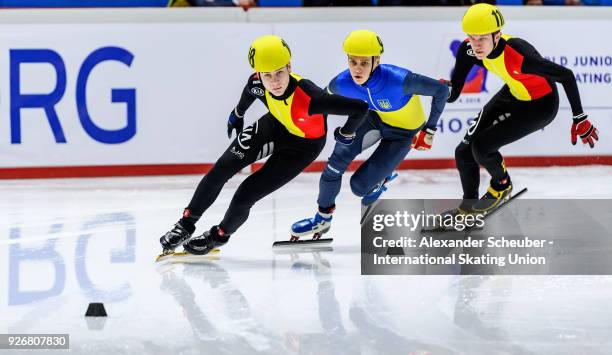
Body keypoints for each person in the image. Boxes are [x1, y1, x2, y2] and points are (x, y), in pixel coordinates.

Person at [159, 35, 369, 255]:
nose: (275, 82)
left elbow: (360, 109)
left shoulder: (313, 98)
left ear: (289, 66)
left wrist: (347, 133)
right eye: (267, 75)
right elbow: (250, 90)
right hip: (275, 125)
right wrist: (238, 114)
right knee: (222, 168)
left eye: (279, 72)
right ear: (259, 74)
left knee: (246, 194)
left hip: (303, 147)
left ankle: (219, 236)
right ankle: (185, 224)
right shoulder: (258, 82)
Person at [291, 30, 449, 240]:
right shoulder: (342, 82)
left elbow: (441, 91)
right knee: (334, 165)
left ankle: (379, 181)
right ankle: (322, 218)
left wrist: (429, 129)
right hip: (374, 119)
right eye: (353, 61)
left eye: (364, 63)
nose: (357, 69)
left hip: (402, 134)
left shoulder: (399, 80)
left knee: (359, 187)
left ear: (377, 62)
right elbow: (320, 103)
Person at [445, 3, 599, 214]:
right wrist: (442, 91)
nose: (476, 45)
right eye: (472, 37)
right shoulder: (468, 50)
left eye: (482, 38)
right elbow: (453, 95)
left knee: (482, 147)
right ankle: (468, 208)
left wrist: (580, 118)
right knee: (463, 152)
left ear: (497, 35)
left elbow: (566, 75)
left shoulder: (520, 55)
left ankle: (501, 185)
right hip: (513, 93)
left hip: (541, 105)